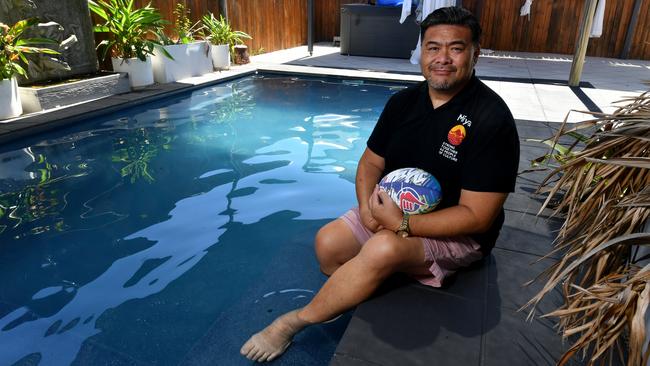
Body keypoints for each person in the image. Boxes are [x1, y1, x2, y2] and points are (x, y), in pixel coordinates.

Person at [240, 6, 520, 363]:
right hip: (388, 214)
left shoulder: (490, 118)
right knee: (327, 245)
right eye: (433, 48)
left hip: (456, 233)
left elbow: (478, 217)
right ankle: (372, 276)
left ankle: (293, 322)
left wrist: (401, 225)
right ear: (421, 52)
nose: (443, 59)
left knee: (384, 249)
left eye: (456, 48)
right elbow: (370, 162)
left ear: (475, 52)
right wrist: (369, 209)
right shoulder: (403, 103)